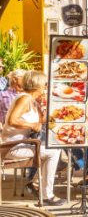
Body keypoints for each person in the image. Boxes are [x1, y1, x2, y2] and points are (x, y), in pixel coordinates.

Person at [1, 70, 65, 205]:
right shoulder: (24, 98)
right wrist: (31, 124)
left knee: (54, 148)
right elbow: (13, 120)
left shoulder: (32, 101)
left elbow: (42, 121)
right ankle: (46, 195)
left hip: (22, 143)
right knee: (53, 152)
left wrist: (44, 107)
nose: (46, 87)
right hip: (12, 146)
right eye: (45, 84)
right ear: (37, 85)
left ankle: (36, 184)